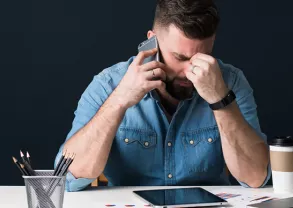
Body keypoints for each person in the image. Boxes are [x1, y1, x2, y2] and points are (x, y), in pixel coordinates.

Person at [55, 0, 271, 192]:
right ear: (152, 42)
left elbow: (256, 178)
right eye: (179, 57)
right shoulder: (108, 84)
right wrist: (119, 100)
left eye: (202, 56)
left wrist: (220, 100)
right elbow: (68, 178)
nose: (190, 71)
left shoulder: (230, 82)